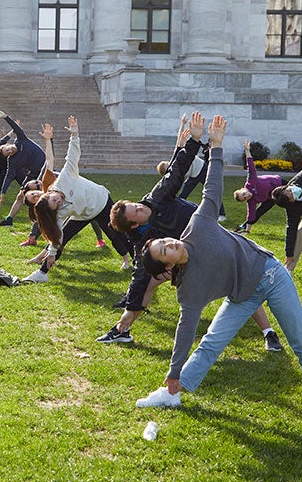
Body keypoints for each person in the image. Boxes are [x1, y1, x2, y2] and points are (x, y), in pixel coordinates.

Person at [134, 113, 302, 424]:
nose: (170, 243)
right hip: (242, 295)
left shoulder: (198, 226)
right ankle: (172, 392)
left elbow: (212, 189)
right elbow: (185, 332)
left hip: (271, 275)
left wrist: (215, 147)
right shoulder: (188, 291)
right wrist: (173, 372)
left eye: (166, 240)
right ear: (166, 266)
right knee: (209, 344)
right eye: (165, 249)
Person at [101, 116, 280, 350]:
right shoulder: (142, 243)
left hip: (206, 234)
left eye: (136, 204)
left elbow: (175, 173)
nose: (141, 206)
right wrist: (131, 304)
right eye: (136, 211)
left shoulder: (156, 200)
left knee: (238, 280)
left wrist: (194, 140)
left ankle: (268, 333)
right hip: (180, 254)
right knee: (146, 283)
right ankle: (122, 329)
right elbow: (140, 273)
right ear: (133, 225)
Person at [22, 117, 131, 282]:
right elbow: (56, 236)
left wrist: (74, 135)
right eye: (57, 204)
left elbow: (72, 156)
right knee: (62, 238)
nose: (59, 201)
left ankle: (137, 262)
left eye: (55, 199)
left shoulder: (64, 178)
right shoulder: (56, 212)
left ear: (48, 193)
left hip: (101, 202)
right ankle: (41, 274)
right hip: (83, 214)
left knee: (117, 233)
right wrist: (51, 254)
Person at [0, 109, 45, 226]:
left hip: (45, 169)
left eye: (7, 149)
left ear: (8, 144)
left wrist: (5, 117)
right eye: (7, 153)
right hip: (34, 173)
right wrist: (3, 192)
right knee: (21, 196)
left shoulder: (21, 139)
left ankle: (45, 220)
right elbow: (9, 175)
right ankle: (9, 219)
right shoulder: (12, 160)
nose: (10, 151)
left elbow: (15, 127)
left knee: (43, 195)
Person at [233, 141, 285, 233]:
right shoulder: (251, 201)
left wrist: (247, 151)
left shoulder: (251, 181)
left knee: (297, 193)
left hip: (279, 183)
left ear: (243, 189)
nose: (247, 196)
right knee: (259, 212)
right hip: (271, 198)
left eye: (244, 194)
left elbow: (250, 166)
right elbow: (251, 214)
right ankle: (245, 228)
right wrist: (248, 231)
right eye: (244, 198)